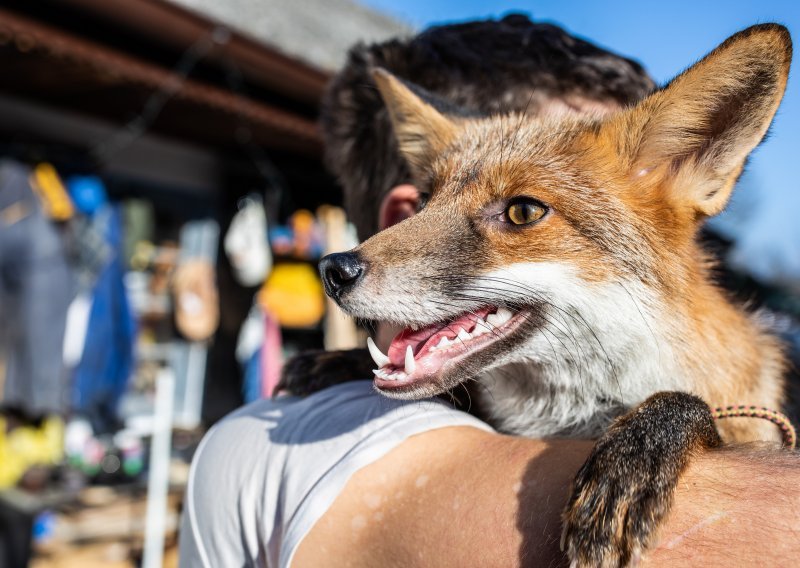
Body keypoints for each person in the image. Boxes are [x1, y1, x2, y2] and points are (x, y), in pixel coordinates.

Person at [179, 15, 800, 567]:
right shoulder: (307, 449)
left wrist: (676, 422)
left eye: (524, 212)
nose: (359, 263)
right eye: (430, 199)